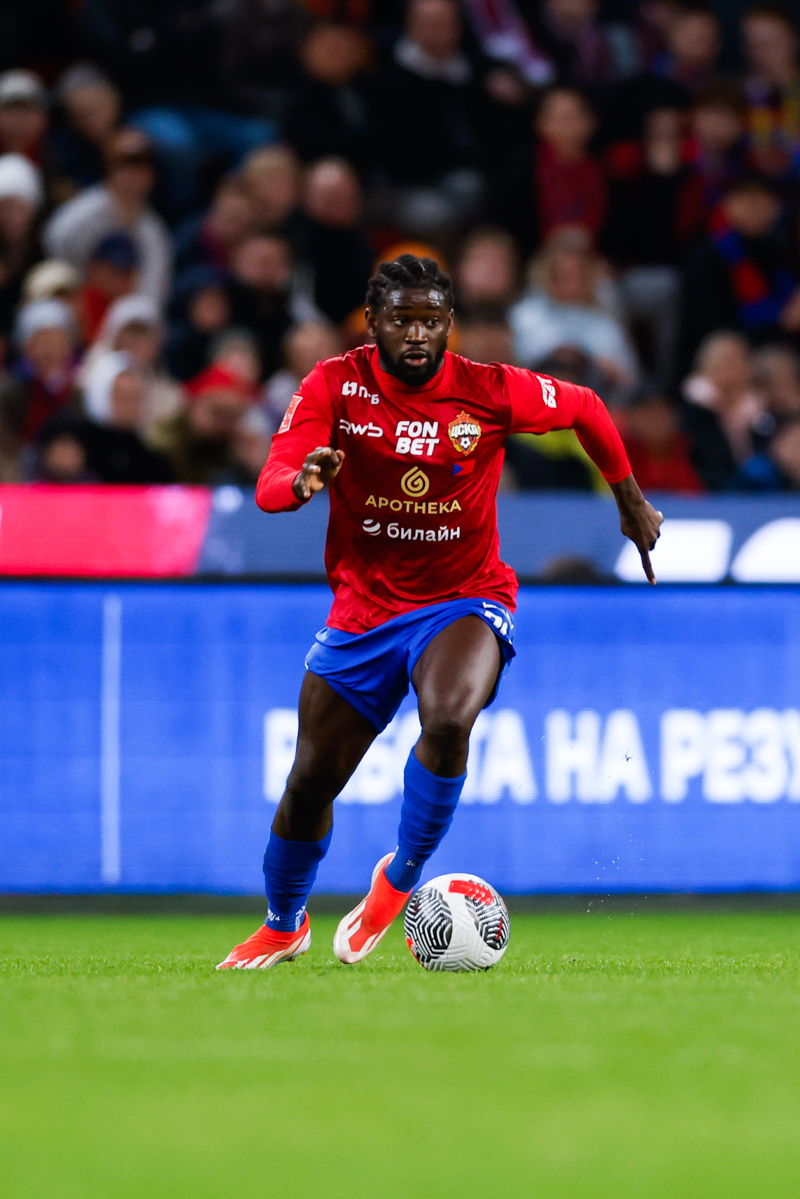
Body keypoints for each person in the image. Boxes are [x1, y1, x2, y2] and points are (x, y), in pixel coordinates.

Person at [217, 253, 662, 970]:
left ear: (449, 323)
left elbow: (584, 406)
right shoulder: (334, 384)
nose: (418, 335)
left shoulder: (488, 389)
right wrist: (301, 481)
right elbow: (274, 478)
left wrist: (629, 498)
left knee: (451, 717)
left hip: (465, 595)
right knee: (309, 783)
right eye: (403, 320)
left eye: (432, 321)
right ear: (373, 323)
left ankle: (400, 876)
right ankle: (283, 922)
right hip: (365, 609)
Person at [43, 128, 172, 308]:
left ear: (151, 177)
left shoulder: (154, 233)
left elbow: (152, 296)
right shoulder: (81, 215)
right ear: (110, 170)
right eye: (125, 169)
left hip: (122, 315)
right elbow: (55, 253)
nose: (133, 178)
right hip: (76, 304)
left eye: (140, 171)